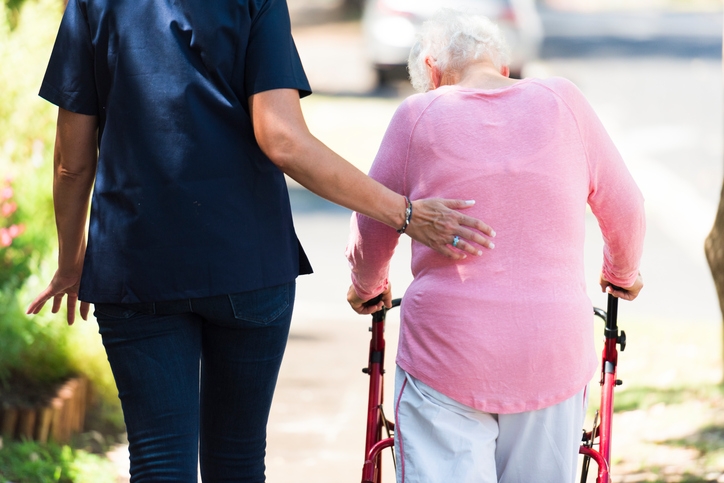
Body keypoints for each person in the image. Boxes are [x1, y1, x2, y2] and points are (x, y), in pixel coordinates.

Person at [25, 1, 497, 482]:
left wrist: (70, 261)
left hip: (135, 265)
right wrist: (406, 214)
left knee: (159, 461)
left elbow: (71, 161)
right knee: (238, 460)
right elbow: (283, 139)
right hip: (247, 263)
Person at [346, 9, 645, 483]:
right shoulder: (565, 100)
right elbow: (626, 208)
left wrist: (367, 286)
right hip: (551, 350)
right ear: (502, 68)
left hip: (447, 352)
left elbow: (371, 222)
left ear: (432, 70)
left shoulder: (418, 114)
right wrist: (621, 274)